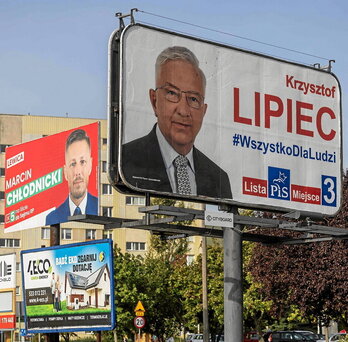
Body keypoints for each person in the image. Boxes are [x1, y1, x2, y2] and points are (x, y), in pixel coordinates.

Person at [122, 46, 232, 199]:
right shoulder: (124, 160)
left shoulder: (219, 179)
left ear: (204, 111)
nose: (183, 111)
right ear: (154, 101)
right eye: (172, 94)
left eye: (193, 99)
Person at [46, 129, 98, 225]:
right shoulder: (53, 218)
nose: (78, 172)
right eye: (73, 164)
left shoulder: (101, 210)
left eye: (82, 162)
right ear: (65, 172)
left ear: (90, 165)